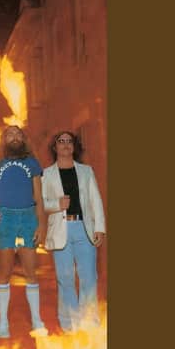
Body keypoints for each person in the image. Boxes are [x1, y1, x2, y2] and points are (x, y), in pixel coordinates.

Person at [0, 125, 48, 339]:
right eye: (10, 134)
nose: (14, 137)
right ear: (3, 139)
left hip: (28, 217)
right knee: (5, 272)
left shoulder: (32, 163)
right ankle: (3, 321)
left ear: (23, 139)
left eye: (18, 134)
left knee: (31, 272)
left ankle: (36, 319)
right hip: (5, 218)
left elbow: (38, 196)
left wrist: (42, 225)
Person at [41, 131, 106, 333]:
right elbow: (41, 203)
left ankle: (89, 322)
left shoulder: (86, 171)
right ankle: (69, 324)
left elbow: (96, 199)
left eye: (69, 141)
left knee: (89, 277)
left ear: (74, 146)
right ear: (55, 147)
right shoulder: (46, 174)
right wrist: (57, 204)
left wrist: (100, 227)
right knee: (65, 278)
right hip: (60, 230)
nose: (65, 144)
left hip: (84, 228)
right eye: (61, 141)